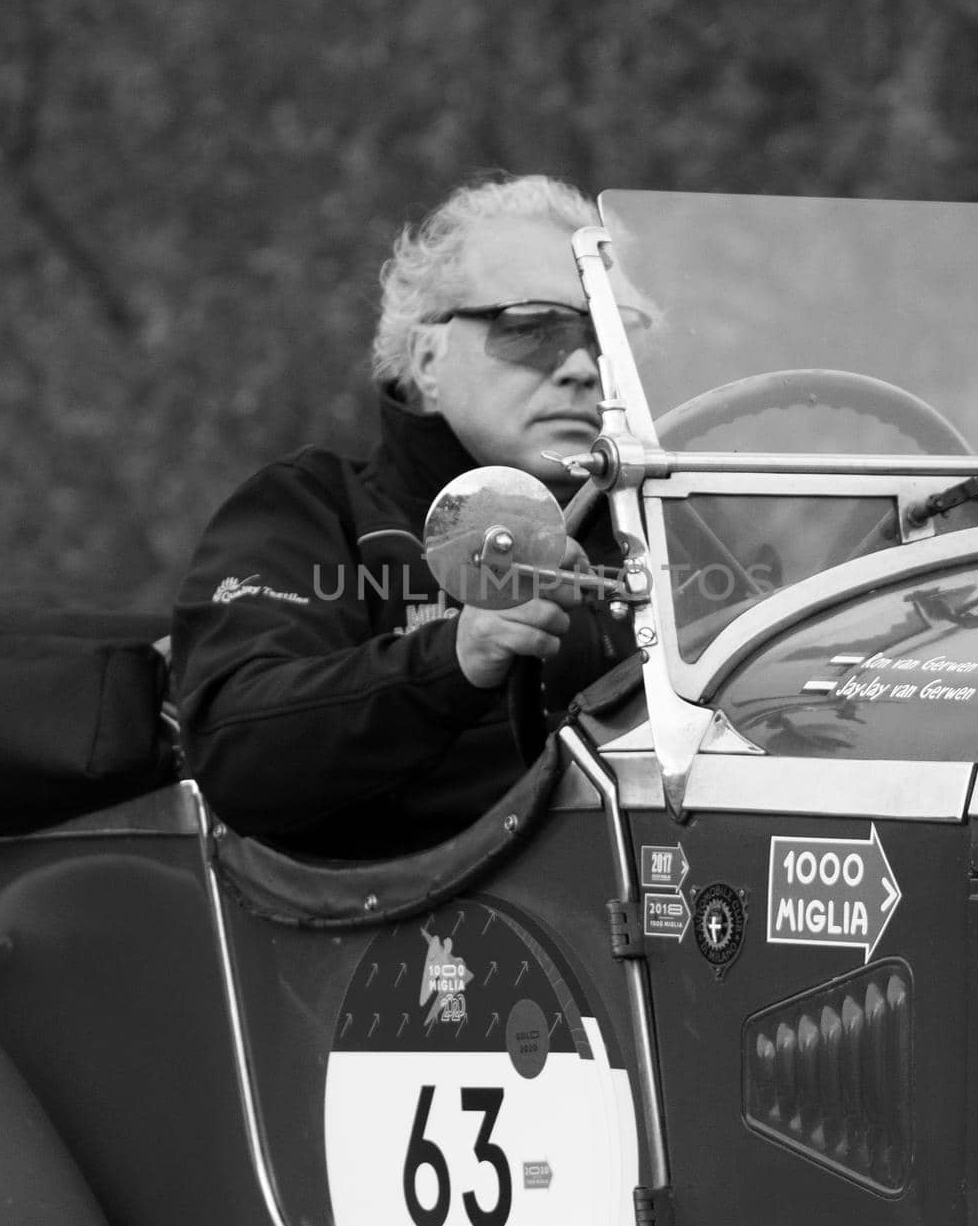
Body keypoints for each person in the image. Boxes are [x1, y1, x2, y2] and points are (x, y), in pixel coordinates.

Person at [171, 175, 642, 857]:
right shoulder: (312, 512)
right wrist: (456, 657)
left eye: (603, 337)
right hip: (403, 944)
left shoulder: (670, 533)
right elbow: (236, 749)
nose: (580, 366)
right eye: (532, 328)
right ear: (427, 358)